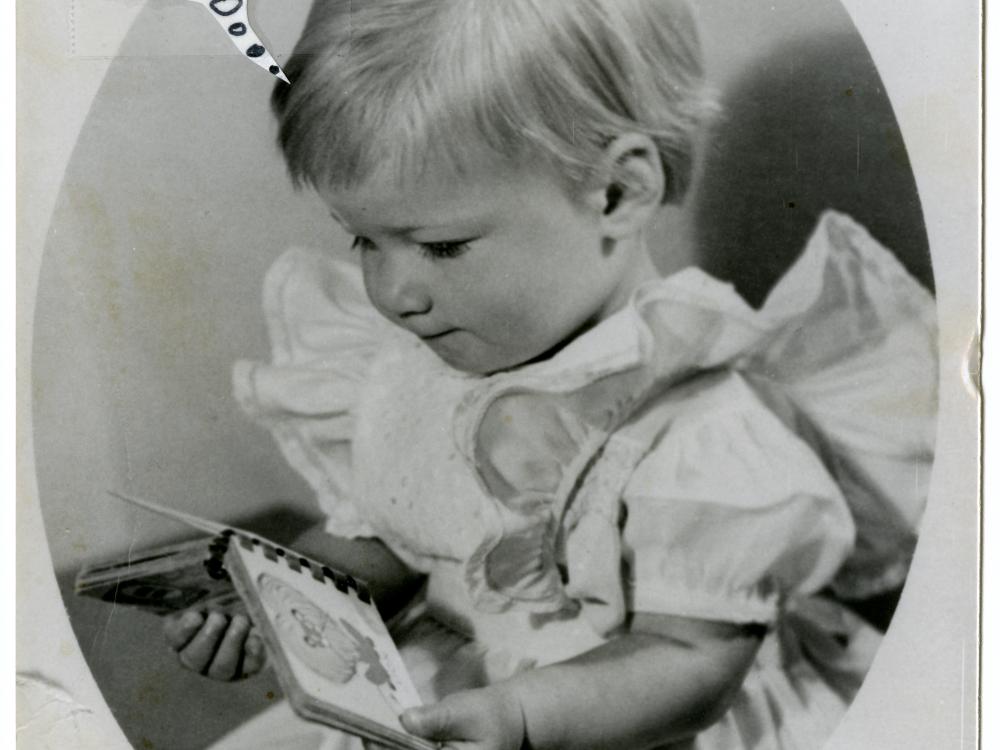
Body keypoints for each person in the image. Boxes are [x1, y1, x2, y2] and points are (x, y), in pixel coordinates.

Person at [163, 1, 938, 748]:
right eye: (364, 241)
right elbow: (397, 541)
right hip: (462, 696)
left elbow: (692, 663)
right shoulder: (423, 371)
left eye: (439, 246)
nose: (393, 293)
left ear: (616, 192)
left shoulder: (695, 419)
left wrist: (526, 718)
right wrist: (277, 594)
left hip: (623, 723)